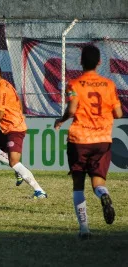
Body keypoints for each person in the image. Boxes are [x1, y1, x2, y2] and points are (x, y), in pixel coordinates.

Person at [54, 45, 123, 240]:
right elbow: (118, 113)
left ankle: (84, 229)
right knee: (97, 182)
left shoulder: (75, 84)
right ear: (100, 62)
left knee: (78, 184)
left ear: (80, 61)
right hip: (102, 139)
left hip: (80, 139)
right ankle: (103, 195)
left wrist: (61, 119)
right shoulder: (109, 85)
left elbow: (72, 110)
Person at [0, 63, 47, 199]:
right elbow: (17, 99)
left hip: (15, 128)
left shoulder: (2, 89)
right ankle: (18, 169)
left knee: (14, 162)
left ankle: (39, 190)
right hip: (7, 128)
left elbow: (0, 115)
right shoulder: (0, 86)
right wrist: (19, 112)